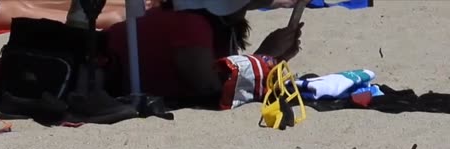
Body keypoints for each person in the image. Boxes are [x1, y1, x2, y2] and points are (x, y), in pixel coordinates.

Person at [104, 0, 303, 106]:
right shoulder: (192, 24)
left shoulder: (212, 21)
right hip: (98, 72)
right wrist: (265, 56)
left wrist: (270, 57)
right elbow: (209, 87)